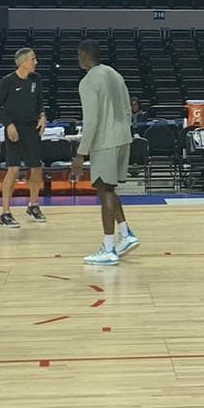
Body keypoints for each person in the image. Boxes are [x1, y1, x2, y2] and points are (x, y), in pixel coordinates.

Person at [71, 40, 138, 266]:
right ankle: (126, 233)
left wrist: (81, 153)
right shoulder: (114, 74)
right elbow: (130, 108)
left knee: (104, 192)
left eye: (79, 54)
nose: (78, 58)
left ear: (86, 55)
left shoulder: (88, 81)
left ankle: (109, 249)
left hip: (105, 141)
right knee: (107, 187)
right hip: (123, 138)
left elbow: (91, 121)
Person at [0, 48, 48, 228]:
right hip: (14, 130)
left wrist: (42, 115)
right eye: (33, 59)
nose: (36, 62)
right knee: (13, 169)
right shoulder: (8, 81)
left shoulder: (36, 79)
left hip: (32, 129)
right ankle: (5, 213)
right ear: (23, 62)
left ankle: (33, 205)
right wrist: (8, 124)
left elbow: (40, 102)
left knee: (36, 167)